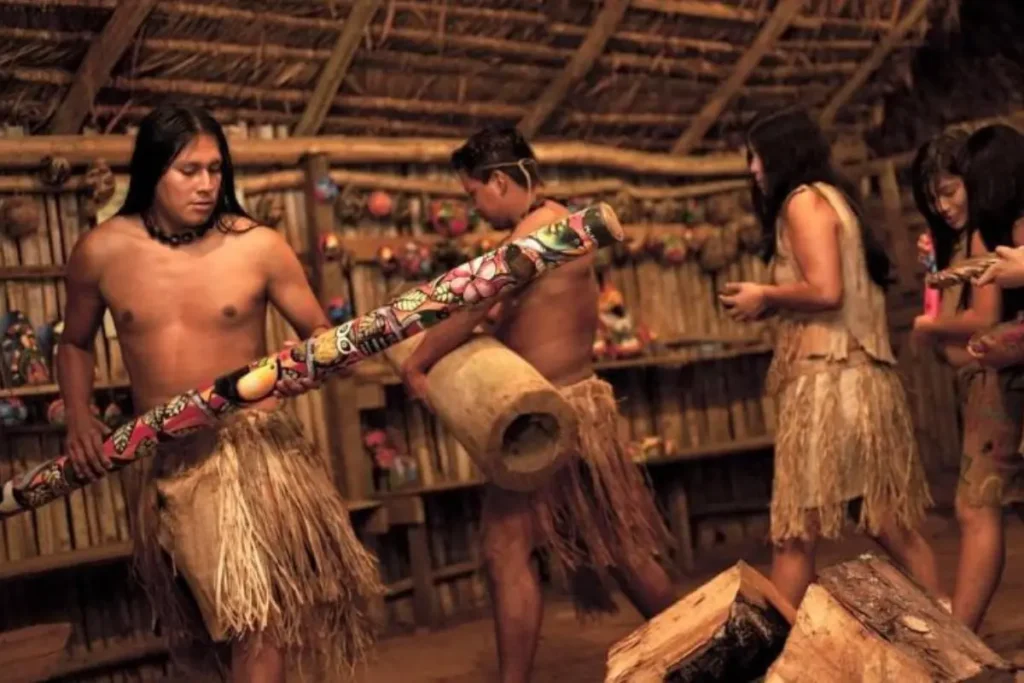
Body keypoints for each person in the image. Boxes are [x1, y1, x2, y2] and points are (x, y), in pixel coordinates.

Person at [58, 105, 382, 682]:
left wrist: (313, 365)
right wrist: (79, 417)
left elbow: (325, 343)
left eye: (215, 169)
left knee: (259, 621)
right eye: (189, 170)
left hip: (251, 459)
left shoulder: (258, 247)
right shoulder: (101, 251)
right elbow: (76, 344)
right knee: (200, 645)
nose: (207, 184)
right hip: (167, 461)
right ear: (152, 171)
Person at [400, 127, 677, 683]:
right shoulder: (566, 226)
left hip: (544, 420)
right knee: (620, 547)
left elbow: (472, 309)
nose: (474, 208)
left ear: (499, 180)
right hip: (567, 406)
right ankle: (709, 644)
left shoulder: (532, 241)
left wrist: (416, 362)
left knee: (509, 551)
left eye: (474, 193)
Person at [719, 109, 942, 609]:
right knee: (887, 522)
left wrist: (766, 295)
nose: (752, 169)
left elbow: (826, 290)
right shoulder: (836, 200)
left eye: (755, 157)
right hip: (855, 378)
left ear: (780, 154)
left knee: (796, 533)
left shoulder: (804, 202)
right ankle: (954, 634)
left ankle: (771, 656)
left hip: (831, 385)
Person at [909, 125, 1024, 632]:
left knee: (976, 508)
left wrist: (933, 328)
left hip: (998, 383)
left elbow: (983, 320)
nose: (944, 204)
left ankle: (961, 635)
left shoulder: (994, 233)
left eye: (952, 189)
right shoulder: (963, 239)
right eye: (934, 196)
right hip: (986, 381)